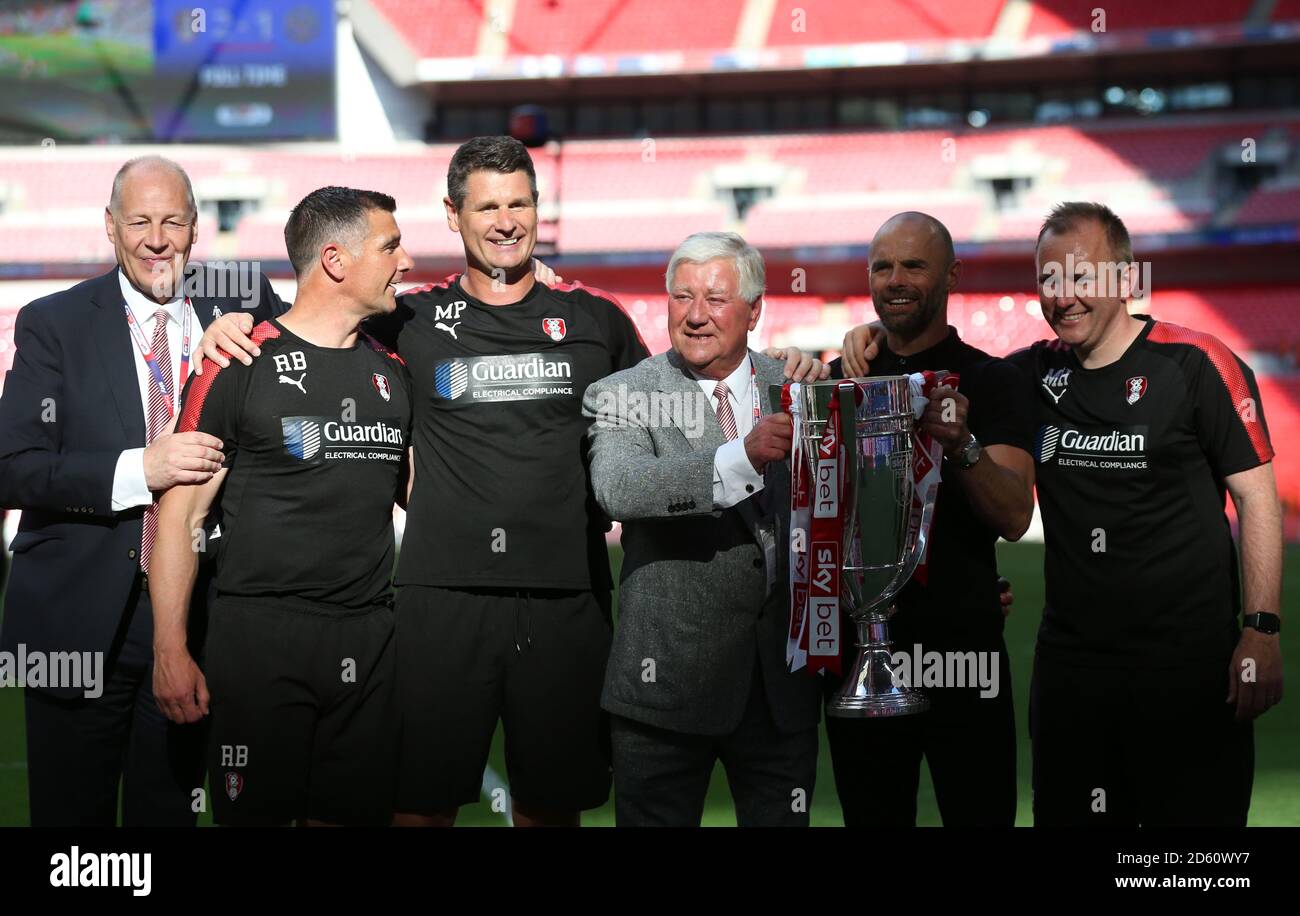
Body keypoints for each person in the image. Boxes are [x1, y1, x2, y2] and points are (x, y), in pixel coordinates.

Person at [195, 136, 824, 827]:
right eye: (488, 205)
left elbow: (681, 389)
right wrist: (229, 326)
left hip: (568, 600)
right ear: (453, 214)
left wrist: (779, 362)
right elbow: (321, 316)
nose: (505, 219)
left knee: (551, 806)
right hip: (440, 602)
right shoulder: (410, 320)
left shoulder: (596, 320)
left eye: (519, 202)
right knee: (418, 806)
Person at [844, 201, 1284, 826]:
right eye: (1048, 279)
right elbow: (927, 364)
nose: (1062, 295)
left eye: (1081, 277)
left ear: (1127, 281)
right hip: (1073, 677)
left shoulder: (1195, 364)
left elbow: (1257, 496)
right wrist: (867, 339)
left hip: (1188, 672)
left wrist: (1261, 629)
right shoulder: (1031, 373)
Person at [0, 155, 279, 826]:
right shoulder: (53, 322)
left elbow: (331, 341)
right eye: (140, 221)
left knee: (171, 816)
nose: (158, 238)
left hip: (199, 619)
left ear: (196, 227)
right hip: (74, 624)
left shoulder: (240, 300)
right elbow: (14, 465)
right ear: (109, 226)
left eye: (174, 221)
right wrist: (139, 470)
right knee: (70, 831)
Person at [149, 186, 414, 825]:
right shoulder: (237, 361)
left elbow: (425, 494)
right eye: (390, 246)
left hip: (370, 639)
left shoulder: (394, 368)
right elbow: (181, 518)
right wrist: (170, 646)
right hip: (259, 644)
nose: (405, 262)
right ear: (335, 260)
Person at [582, 231, 825, 826]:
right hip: (661, 691)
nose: (694, 316)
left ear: (755, 310)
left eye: (715, 299)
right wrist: (741, 457)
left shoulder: (804, 388)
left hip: (780, 691)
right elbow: (620, 486)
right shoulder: (625, 392)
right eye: (680, 296)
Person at [824, 212, 1034, 827]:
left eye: (914, 265)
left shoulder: (994, 380)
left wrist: (963, 445)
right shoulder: (840, 382)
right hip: (861, 657)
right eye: (882, 266)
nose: (895, 279)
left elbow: (1016, 515)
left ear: (952, 275)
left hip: (962, 655)